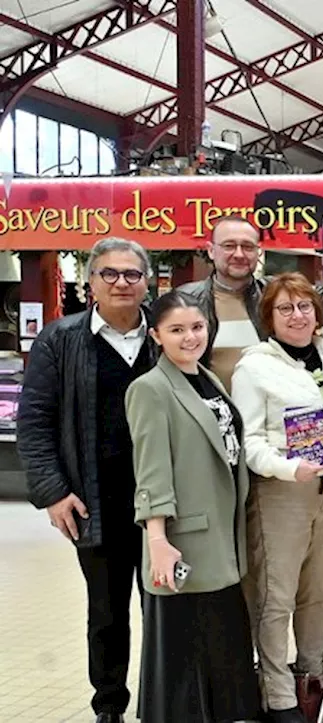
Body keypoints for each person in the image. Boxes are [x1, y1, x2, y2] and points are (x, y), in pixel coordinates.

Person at [17, 237, 158, 723]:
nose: (122, 282)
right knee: (107, 613)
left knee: (167, 609)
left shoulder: (165, 336)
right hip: (94, 499)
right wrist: (54, 493)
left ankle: (163, 701)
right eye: (110, 274)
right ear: (90, 282)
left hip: (164, 502)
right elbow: (33, 423)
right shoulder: (60, 340)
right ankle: (110, 706)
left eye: (132, 274)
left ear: (147, 282)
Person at [232, 273, 323, 722]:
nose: (297, 316)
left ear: (317, 313)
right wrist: (286, 468)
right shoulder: (253, 367)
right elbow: (249, 441)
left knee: (315, 592)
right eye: (285, 309)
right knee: (276, 595)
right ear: (269, 318)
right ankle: (278, 695)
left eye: (304, 307)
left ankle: (310, 681)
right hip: (282, 493)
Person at [126, 291, 260, 722]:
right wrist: (158, 540)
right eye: (177, 330)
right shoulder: (149, 389)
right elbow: (151, 472)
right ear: (156, 335)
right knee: (182, 651)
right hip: (184, 540)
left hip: (223, 535)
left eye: (197, 327)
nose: (190, 337)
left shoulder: (206, 379)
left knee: (221, 645)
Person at [178, 215, 268, 389]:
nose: (239, 254)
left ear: (259, 252)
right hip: (207, 411)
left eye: (248, 247)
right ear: (211, 251)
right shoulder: (185, 300)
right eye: (229, 246)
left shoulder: (274, 296)